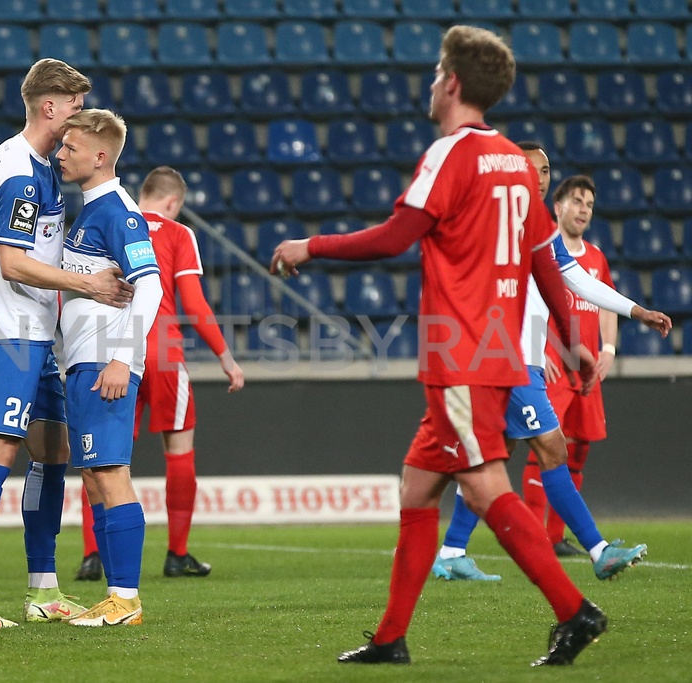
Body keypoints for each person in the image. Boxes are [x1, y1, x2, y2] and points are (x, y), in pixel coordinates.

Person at [272, 26, 607, 666]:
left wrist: (309, 246)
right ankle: (392, 637)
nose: (431, 84)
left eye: (435, 74)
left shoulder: (451, 153)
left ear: (452, 83)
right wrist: (573, 340)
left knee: (483, 487)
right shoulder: (515, 160)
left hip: (463, 358)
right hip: (494, 353)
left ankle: (574, 610)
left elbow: (399, 233)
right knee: (418, 490)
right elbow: (545, 262)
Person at [0, 59, 133, 629]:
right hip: (10, 331)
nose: (80, 114)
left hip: (37, 331)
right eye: (74, 104)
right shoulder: (23, 172)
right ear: (50, 106)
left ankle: (43, 588)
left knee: (53, 454)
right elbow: (15, 262)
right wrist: (89, 283)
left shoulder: (42, 165)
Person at [430, 150, 670, 583]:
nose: (538, 177)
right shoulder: (495, 218)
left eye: (544, 170)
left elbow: (576, 278)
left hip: (519, 361)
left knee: (490, 459)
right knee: (552, 449)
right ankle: (598, 550)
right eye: (529, 167)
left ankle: (450, 551)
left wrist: (637, 311)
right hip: (507, 361)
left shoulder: (538, 226)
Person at [75, 166, 245, 582]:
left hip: (116, 348)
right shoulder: (178, 233)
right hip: (164, 351)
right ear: (173, 202)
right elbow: (194, 303)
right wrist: (225, 356)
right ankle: (177, 553)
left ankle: (93, 554)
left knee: (102, 454)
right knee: (179, 448)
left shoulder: (116, 220)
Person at [56, 109, 163, 626]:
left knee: (111, 473)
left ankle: (126, 599)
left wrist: (123, 357)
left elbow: (152, 284)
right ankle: (115, 597)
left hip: (105, 360)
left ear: (100, 156)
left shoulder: (119, 212)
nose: (60, 154)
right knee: (96, 478)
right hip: (84, 360)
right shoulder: (91, 210)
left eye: (70, 147)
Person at [530, 173, 624, 554]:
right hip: (554, 361)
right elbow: (531, 301)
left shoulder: (597, 257)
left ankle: (555, 538)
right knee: (545, 445)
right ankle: (534, 536)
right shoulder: (544, 248)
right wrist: (542, 350)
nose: (583, 209)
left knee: (579, 447)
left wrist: (609, 349)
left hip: (586, 365)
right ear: (558, 206)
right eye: (576, 201)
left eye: (589, 204)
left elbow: (606, 303)